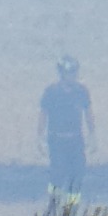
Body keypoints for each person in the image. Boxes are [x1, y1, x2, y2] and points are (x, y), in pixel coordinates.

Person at [38, 54, 95, 200]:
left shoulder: (81, 91)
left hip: (76, 140)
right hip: (57, 140)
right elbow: (43, 114)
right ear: (62, 73)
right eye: (70, 72)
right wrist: (40, 137)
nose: (73, 76)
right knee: (58, 173)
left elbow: (88, 113)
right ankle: (54, 204)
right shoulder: (51, 92)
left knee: (77, 173)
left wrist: (92, 134)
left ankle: (72, 207)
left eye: (75, 72)